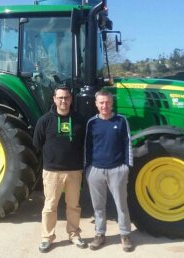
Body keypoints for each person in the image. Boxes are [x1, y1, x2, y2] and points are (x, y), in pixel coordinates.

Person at [33, 85, 87, 253]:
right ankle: (47, 237)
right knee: (50, 206)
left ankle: (74, 234)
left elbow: (85, 144)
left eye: (67, 97)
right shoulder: (45, 120)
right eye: (60, 97)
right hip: (52, 172)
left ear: (71, 99)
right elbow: (37, 143)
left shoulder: (80, 120)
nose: (64, 101)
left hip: (74, 171)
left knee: (74, 206)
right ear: (54, 99)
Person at [84, 90, 134, 252]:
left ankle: (125, 235)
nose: (104, 106)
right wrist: (88, 168)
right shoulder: (91, 123)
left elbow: (128, 144)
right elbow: (87, 147)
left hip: (117, 170)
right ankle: (100, 234)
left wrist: (127, 166)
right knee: (98, 206)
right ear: (96, 104)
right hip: (96, 171)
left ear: (111, 103)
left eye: (107, 102)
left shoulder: (121, 121)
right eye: (101, 103)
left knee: (122, 205)